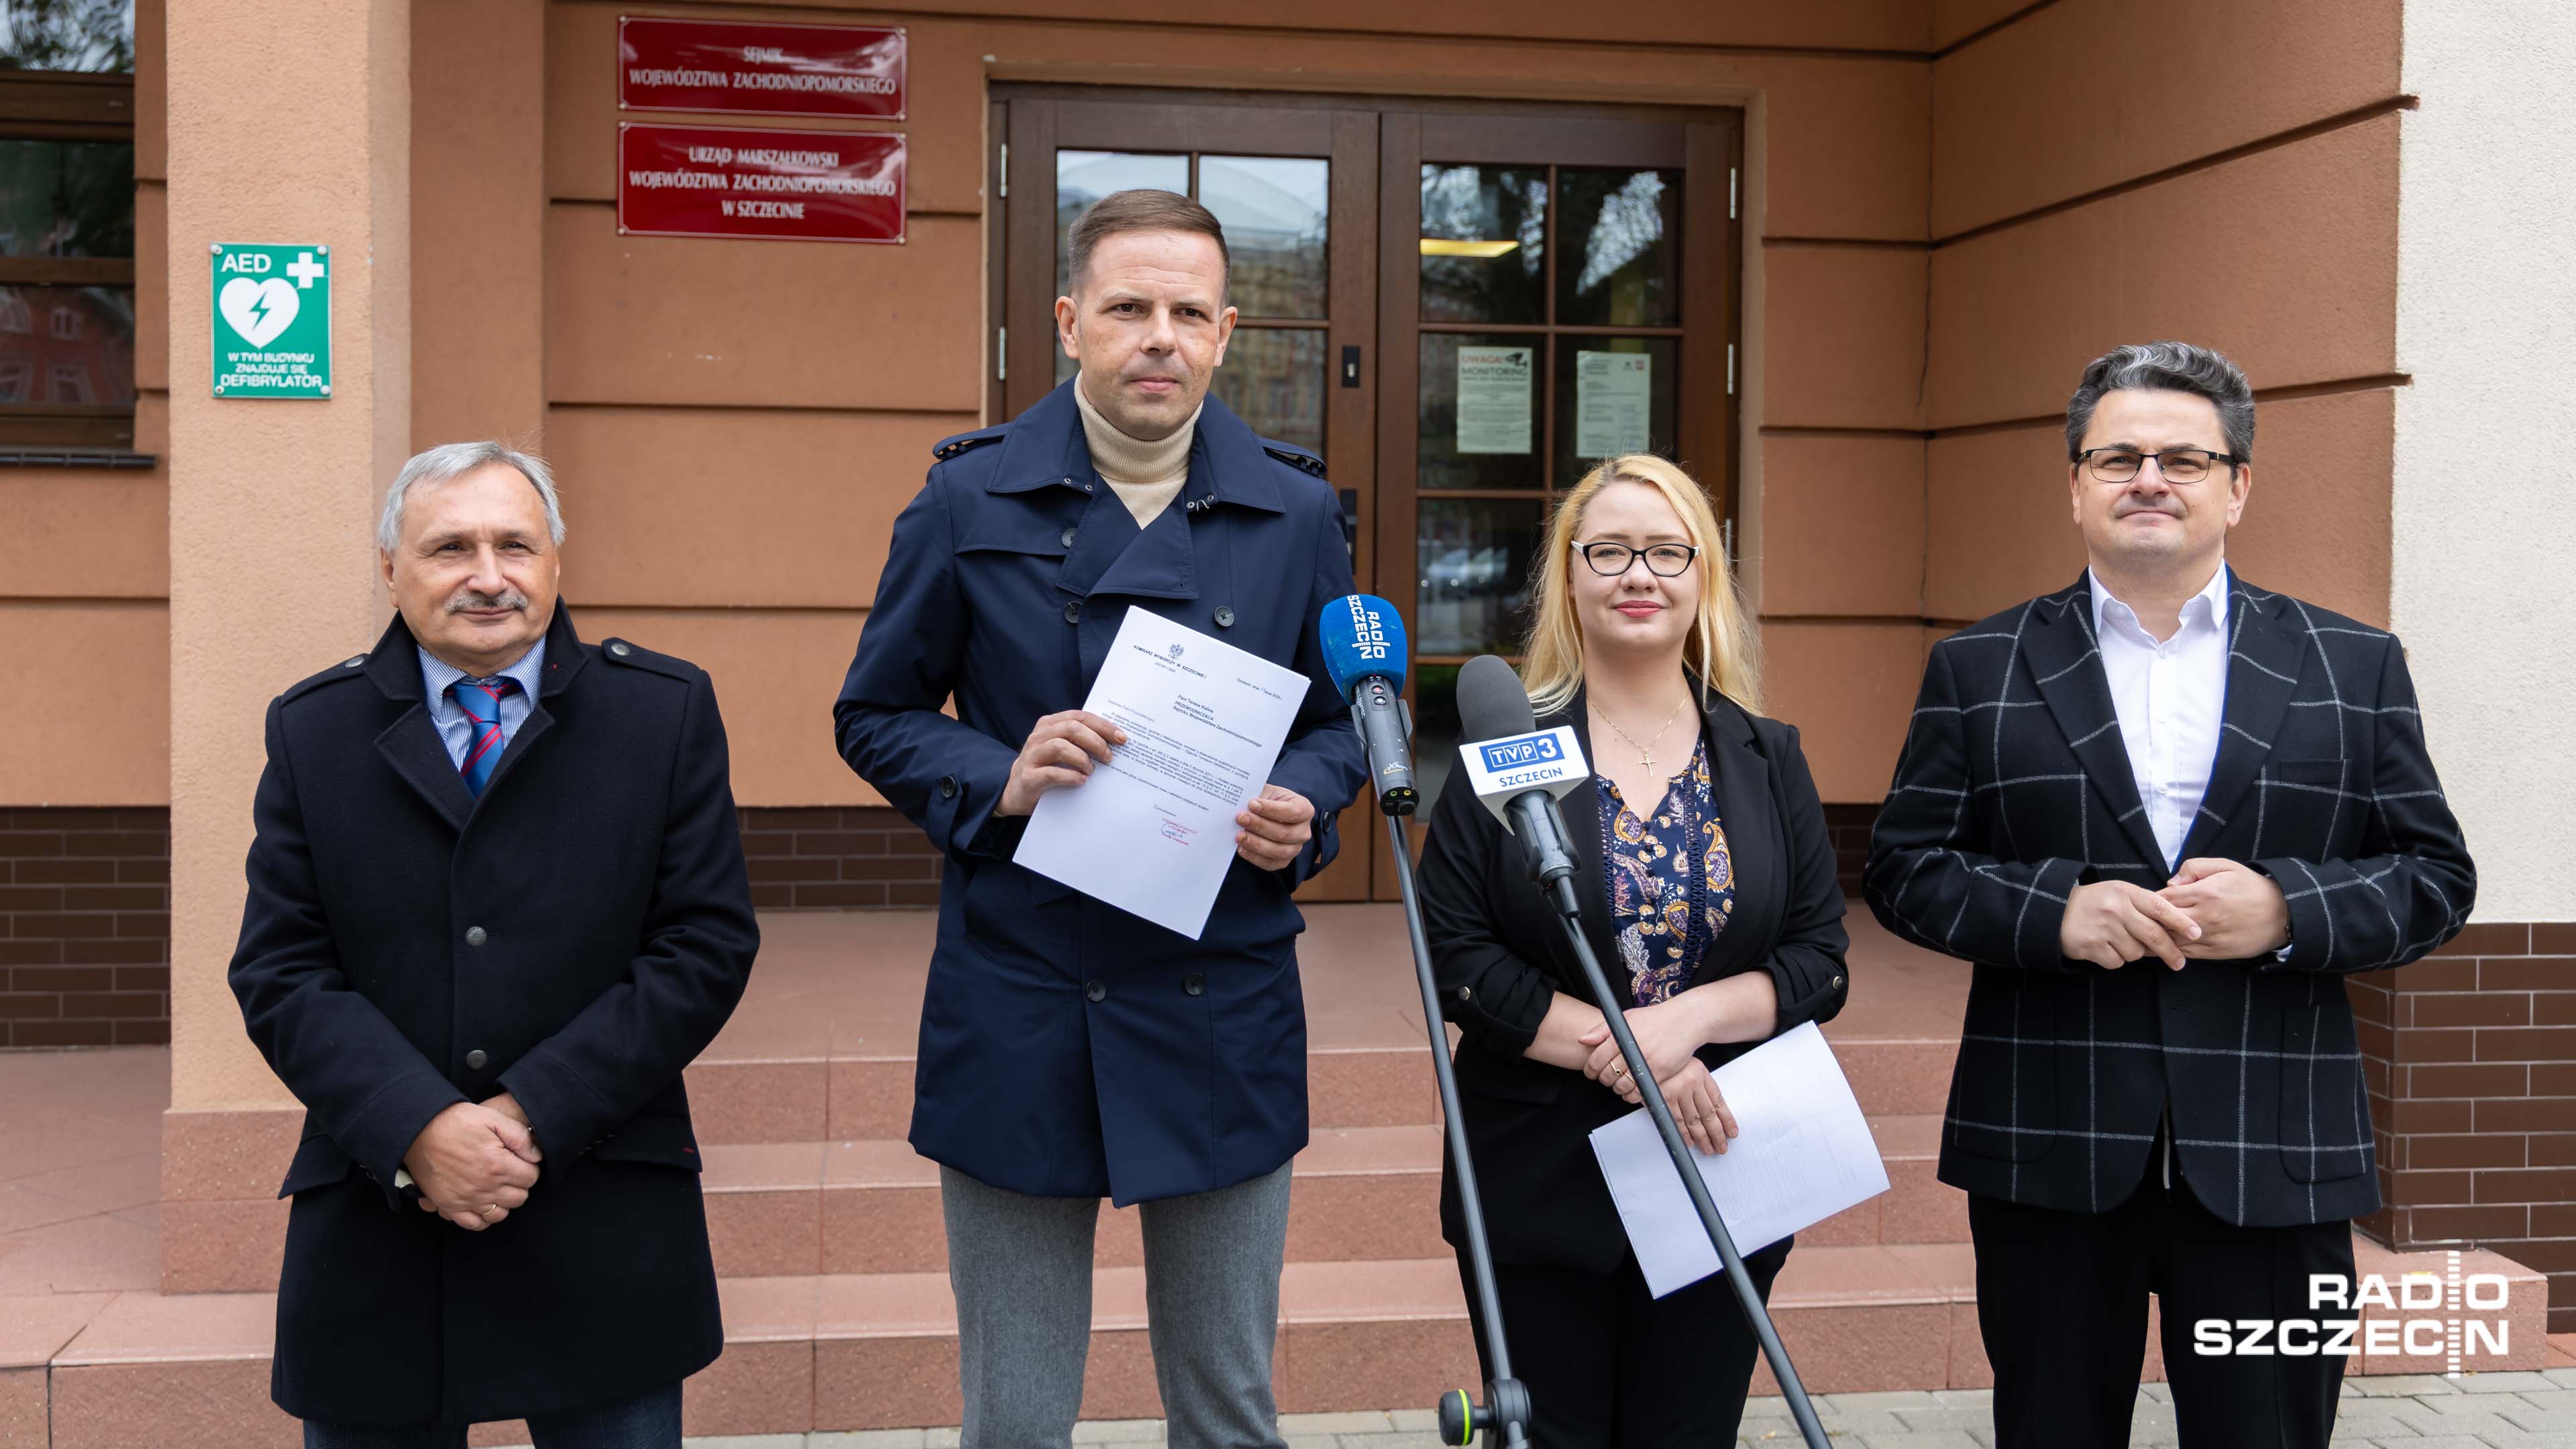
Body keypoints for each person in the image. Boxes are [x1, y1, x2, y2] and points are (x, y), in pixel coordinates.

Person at [1865, 341, 2475, 1449]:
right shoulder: (1979, 665)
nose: (2150, 479)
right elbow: (1906, 870)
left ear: (2237, 487)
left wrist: (2287, 910)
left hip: (2273, 1156)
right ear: (2076, 485)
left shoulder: (2354, 664)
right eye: (2119, 458)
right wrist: (2054, 912)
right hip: (2049, 1149)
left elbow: (2435, 878)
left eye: (2185, 459)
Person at [833, 189, 1366, 1449]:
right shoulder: (966, 499)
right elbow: (874, 713)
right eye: (1128, 308)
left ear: (1226, 334)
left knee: (1229, 1413)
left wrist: (1308, 803)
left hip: (1219, 989)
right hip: (1021, 991)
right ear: (1071, 323)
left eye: (1188, 311)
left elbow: (1348, 719)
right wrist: (999, 776)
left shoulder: (1297, 510)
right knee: (1016, 1420)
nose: (1159, 337)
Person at [227, 442, 760, 1448]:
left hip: (601, 1206)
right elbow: (281, 968)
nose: (487, 576)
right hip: (382, 1219)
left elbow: (703, 946)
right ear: (391, 568)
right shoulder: (314, 728)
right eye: (450, 548)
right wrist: (419, 1127)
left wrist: (531, 1114)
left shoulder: (661, 712)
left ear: (555, 559)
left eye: (515, 545)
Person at [1415, 453, 1851, 1446]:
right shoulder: (1506, 748)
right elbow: (1457, 956)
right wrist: (1630, 1055)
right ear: (1569, 577)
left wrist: (1683, 1025)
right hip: (1537, 1172)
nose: (1638, 575)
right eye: (1608, 551)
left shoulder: (1767, 754)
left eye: (1666, 551)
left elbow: (1820, 960)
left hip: (1721, 1161)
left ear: (1704, 575)